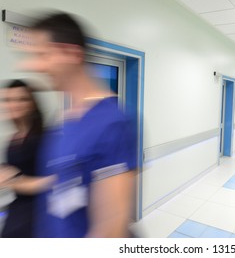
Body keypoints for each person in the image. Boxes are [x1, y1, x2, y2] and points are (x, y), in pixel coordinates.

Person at [23, 12, 136, 238]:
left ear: (71, 53)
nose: (34, 65)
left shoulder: (112, 123)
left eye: (43, 55)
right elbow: (59, 181)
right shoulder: (64, 119)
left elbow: (110, 230)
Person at [0, 79, 45, 237]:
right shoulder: (13, 140)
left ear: (31, 103)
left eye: (21, 99)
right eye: (9, 100)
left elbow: (55, 180)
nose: (14, 104)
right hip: (18, 209)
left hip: (38, 213)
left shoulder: (43, 138)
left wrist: (14, 180)